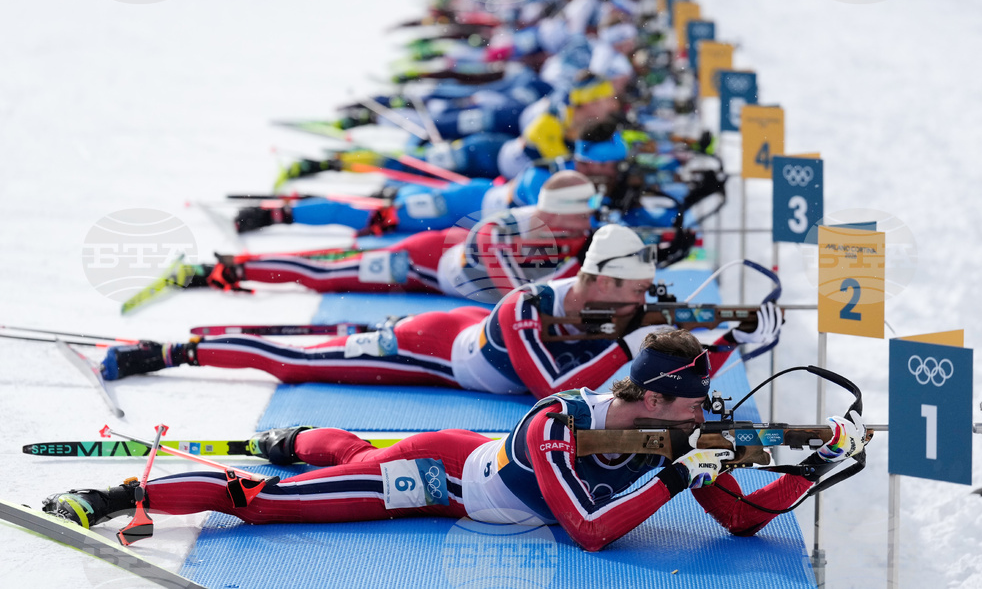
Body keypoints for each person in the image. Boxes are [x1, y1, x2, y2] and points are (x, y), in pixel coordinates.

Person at [44, 330, 867, 551]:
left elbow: (742, 521)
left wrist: (815, 465)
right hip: (439, 475)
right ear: (650, 398)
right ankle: (119, 494)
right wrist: (677, 477)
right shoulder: (559, 422)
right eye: (691, 408)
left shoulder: (680, 435)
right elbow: (589, 532)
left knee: (345, 457)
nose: (702, 420)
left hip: (468, 471)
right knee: (264, 505)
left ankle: (298, 437)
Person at [99, 224, 782, 399]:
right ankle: (172, 352)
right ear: (599, 280)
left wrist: (735, 326)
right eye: (633, 293)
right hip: (430, 351)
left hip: (465, 340)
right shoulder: (526, 306)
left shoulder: (613, 302)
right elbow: (553, 390)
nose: (641, 303)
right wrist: (638, 342)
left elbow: (670, 327)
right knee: (300, 365)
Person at [200, 171, 597, 303]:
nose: (589, 221)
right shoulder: (505, 227)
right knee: (332, 268)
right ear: (557, 213)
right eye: (583, 214)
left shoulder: (577, 235)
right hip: (422, 261)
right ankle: (237, 264)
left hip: (444, 254)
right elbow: (518, 298)